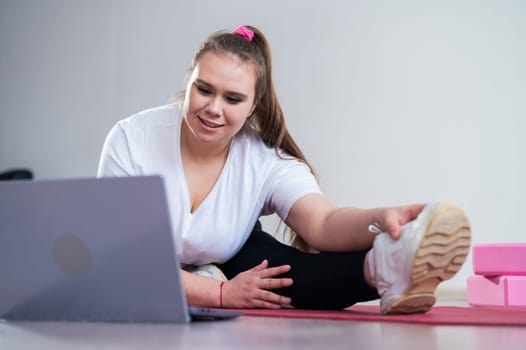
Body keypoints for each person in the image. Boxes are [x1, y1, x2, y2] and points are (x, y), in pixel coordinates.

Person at [97, 25, 471, 314]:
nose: (213, 108)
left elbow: (323, 223)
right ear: (189, 82)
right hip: (142, 265)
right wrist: (221, 293)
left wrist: (382, 218)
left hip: (227, 248)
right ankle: (205, 278)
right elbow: (128, 261)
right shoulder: (132, 139)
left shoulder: (264, 159)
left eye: (233, 99)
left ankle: (386, 267)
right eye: (204, 90)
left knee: (279, 277)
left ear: (253, 105)